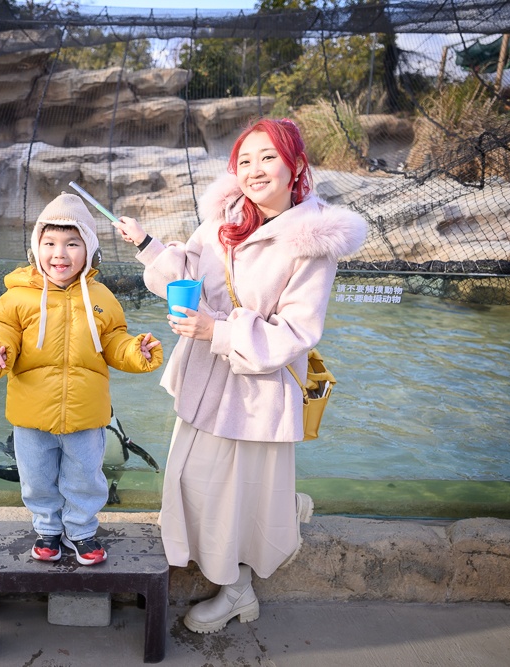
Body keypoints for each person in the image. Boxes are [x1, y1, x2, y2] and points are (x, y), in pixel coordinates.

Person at [111, 118, 367, 632]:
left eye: (268, 157)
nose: (255, 170)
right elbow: (188, 274)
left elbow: (297, 331)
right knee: (187, 479)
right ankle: (277, 511)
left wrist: (218, 331)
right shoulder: (224, 219)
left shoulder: (311, 242)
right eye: (244, 160)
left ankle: (237, 591)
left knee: (231, 498)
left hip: (255, 390)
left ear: (296, 165)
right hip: (206, 379)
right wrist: (148, 245)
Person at [0, 192, 163, 565]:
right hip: (32, 414)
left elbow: (114, 340)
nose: (59, 253)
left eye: (72, 243)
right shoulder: (17, 296)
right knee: (36, 477)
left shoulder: (101, 296)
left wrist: (134, 351)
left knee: (85, 478)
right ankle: (47, 529)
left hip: (86, 415)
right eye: (50, 243)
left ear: (89, 249)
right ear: (36, 248)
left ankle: (81, 531)